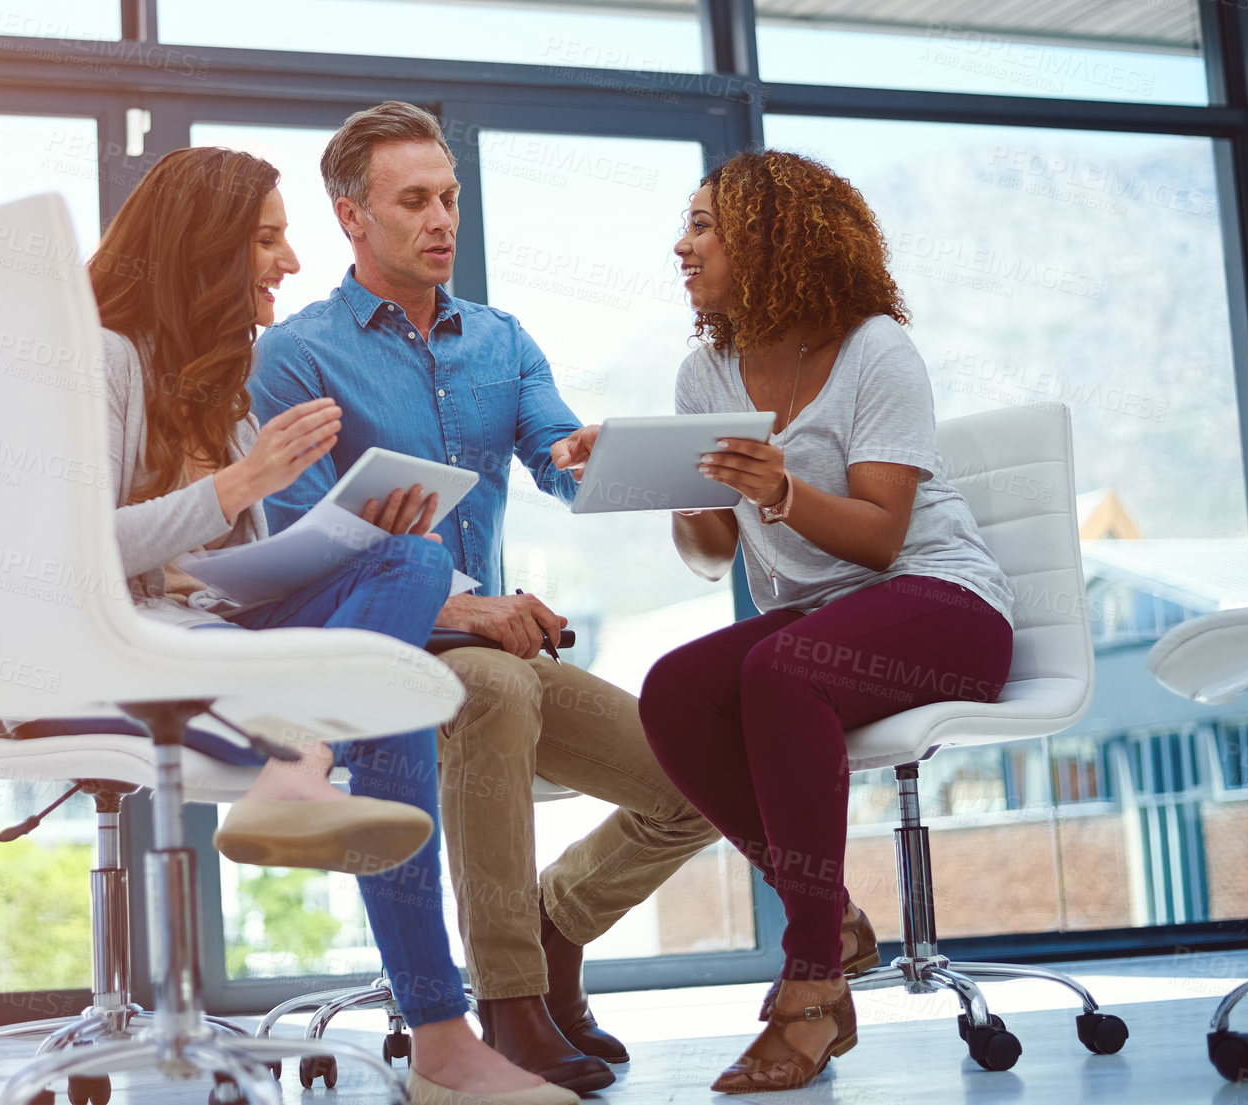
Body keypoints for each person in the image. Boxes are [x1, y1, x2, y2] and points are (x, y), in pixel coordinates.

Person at [249, 101, 720, 1094]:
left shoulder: (499, 341)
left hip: (497, 644)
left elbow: (562, 467)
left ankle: (551, 930)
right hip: (382, 652)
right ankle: (505, 1006)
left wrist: (591, 456)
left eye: (449, 198)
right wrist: (463, 613)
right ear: (351, 217)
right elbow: (299, 551)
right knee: (498, 690)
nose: (440, 219)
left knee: (697, 781)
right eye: (413, 200)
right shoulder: (296, 355)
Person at [90, 144, 576, 1105]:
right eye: (267, 239)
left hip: (231, 627)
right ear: (202, 250)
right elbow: (80, 552)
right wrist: (238, 486)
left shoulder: (223, 389)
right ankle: (441, 1035)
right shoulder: (106, 362)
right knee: (384, 691)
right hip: (137, 638)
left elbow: (247, 565)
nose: (288, 261)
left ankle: (297, 759)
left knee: (415, 557)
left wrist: (350, 533)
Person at [611, 149, 1016, 1093]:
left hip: (945, 607)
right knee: (675, 689)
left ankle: (811, 979)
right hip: (822, 624)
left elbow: (881, 537)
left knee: (777, 671)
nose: (683, 243)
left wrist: (783, 489)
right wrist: (665, 481)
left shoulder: (876, 348)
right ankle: (829, 914)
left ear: (772, 237)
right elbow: (712, 552)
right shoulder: (705, 372)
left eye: (704, 224)